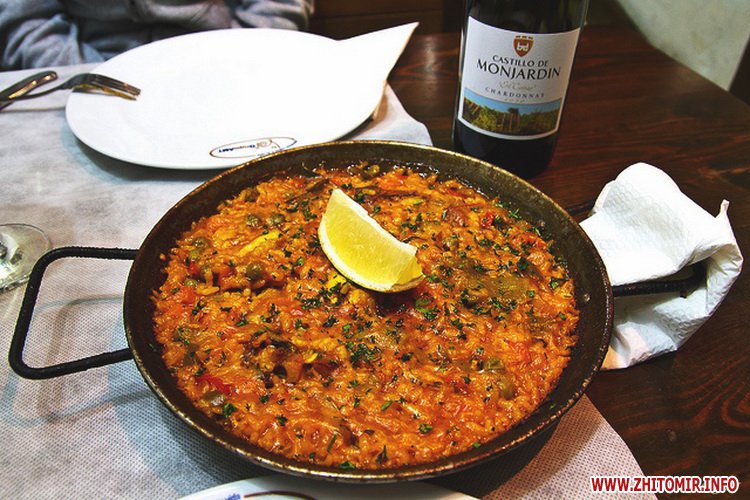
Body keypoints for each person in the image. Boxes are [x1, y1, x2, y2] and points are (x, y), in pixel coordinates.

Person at [0, 0, 314, 70]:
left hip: (229, 59)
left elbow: (279, 5)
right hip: (95, 71)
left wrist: (242, 60)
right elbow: (27, 23)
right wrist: (92, 79)